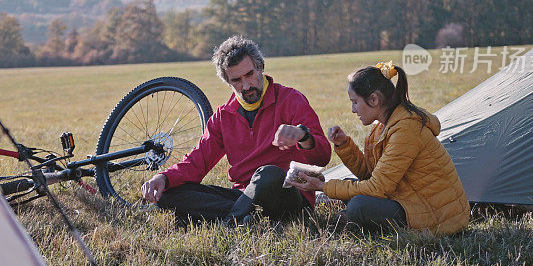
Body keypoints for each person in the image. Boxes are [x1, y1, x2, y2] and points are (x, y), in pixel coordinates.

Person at [141, 35, 331, 225]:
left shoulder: (291, 100)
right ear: (228, 82)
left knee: (268, 174)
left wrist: (303, 136)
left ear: (260, 67)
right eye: (236, 80)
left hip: (287, 196)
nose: (246, 85)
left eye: (249, 74)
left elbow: (322, 157)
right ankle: (246, 218)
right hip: (242, 196)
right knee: (167, 194)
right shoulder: (223, 116)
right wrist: (164, 177)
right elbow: (196, 162)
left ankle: (230, 223)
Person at [289, 61, 470, 234]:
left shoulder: (406, 129)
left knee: (358, 206)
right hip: (407, 199)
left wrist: (323, 186)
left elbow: (376, 188)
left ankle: (350, 219)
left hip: (439, 216)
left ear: (374, 99)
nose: (353, 109)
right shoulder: (383, 127)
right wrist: (344, 145)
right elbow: (370, 175)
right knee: (350, 187)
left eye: (355, 102)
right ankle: (350, 218)